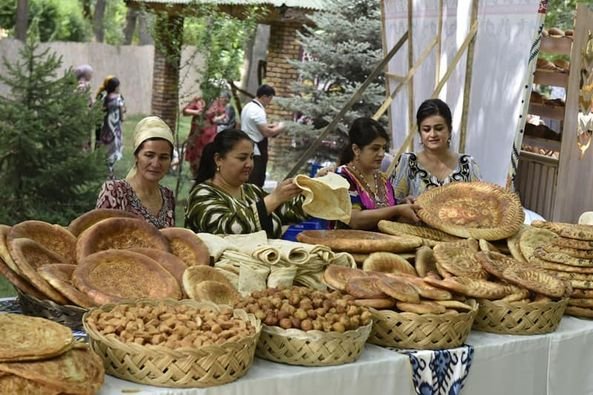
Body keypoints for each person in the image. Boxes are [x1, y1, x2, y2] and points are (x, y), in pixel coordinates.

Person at [184, 129, 306, 238]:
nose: (249, 164)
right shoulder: (202, 195)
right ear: (218, 159)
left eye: (251, 157)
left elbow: (291, 211)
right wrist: (274, 198)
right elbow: (229, 228)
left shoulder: (252, 191)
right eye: (242, 158)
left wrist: (313, 188)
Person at [335, 117, 420, 230]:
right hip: (349, 245)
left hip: (384, 244)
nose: (381, 154)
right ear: (356, 149)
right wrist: (397, 210)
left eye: (383, 148)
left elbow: (388, 214)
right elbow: (354, 220)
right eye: (375, 149)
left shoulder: (382, 179)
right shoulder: (342, 178)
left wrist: (404, 204)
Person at [390, 98, 481, 200]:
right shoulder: (407, 162)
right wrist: (404, 204)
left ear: (449, 130)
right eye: (426, 129)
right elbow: (392, 205)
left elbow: (480, 203)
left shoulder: (467, 164)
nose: (432, 134)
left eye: (439, 128)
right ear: (420, 132)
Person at [96, 116, 176, 229]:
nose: (156, 163)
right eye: (149, 155)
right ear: (136, 156)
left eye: (163, 157)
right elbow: (99, 237)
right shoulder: (115, 192)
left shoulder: (168, 197)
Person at [240, 84, 285, 187]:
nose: (270, 102)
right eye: (270, 98)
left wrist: (272, 125)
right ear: (264, 96)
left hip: (248, 144)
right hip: (255, 150)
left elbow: (256, 126)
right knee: (255, 180)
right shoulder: (257, 111)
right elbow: (267, 132)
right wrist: (281, 127)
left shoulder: (248, 106)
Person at [183, 96, 226, 178]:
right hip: (197, 132)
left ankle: (206, 174)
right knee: (194, 153)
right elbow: (185, 111)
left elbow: (223, 114)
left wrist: (216, 119)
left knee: (208, 152)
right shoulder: (198, 100)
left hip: (210, 133)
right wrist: (196, 112)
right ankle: (195, 175)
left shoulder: (217, 101)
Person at [96, 76, 126, 178]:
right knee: (114, 147)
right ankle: (109, 170)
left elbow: (101, 110)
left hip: (106, 126)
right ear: (116, 87)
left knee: (107, 146)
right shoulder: (118, 98)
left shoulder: (105, 97)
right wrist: (122, 118)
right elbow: (122, 112)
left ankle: (106, 168)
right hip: (115, 127)